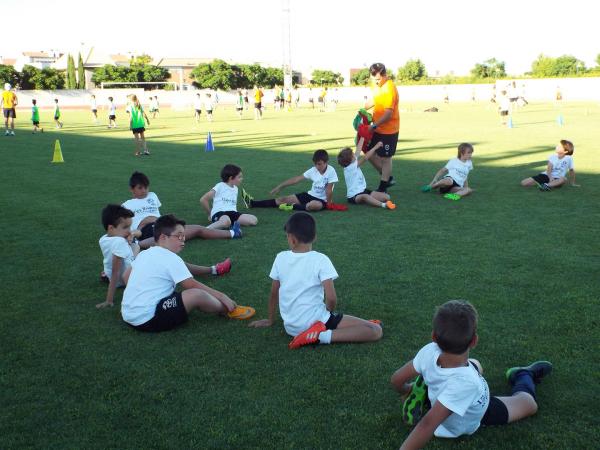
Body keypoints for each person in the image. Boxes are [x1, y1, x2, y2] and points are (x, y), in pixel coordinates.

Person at [391, 300, 552, 449]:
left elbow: (396, 379)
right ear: (474, 341)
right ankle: (523, 375)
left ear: (434, 337)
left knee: (475, 364)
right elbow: (427, 424)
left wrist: (406, 389)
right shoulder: (466, 383)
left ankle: (424, 390)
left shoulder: (428, 350)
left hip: (446, 388)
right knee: (529, 404)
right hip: (478, 409)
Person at [249, 212, 383, 348]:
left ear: (292, 239)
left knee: (364, 324)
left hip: (291, 327)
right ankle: (319, 336)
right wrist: (327, 315)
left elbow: (274, 293)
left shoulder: (280, 258)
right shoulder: (321, 260)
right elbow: (331, 298)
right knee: (375, 330)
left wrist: (270, 320)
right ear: (315, 237)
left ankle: (352, 325)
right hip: (315, 323)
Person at [121, 214, 255, 332]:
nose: (183, 240)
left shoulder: (145, 254)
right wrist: (222, 296)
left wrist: (141, 292)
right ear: (163, 237)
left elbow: (126, 276)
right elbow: (191, 285)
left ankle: (214, 271)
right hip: (148, 319)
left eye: (183, 236)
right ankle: (227, 309)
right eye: (178, 236)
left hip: (127, 315)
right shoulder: (170, 258)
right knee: (196, 294)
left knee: (180, 287)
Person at [96, 205, 232, 310]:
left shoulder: (105, 238)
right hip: (132, 281)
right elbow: (119, 274)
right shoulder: (120, 242)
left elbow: (118, 267)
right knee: (176, 266)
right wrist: (109, 299)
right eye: (125, 227)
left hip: (127, 282)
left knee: (166, 260)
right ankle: (213, 271)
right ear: (111, 228)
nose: (128, 230)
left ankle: (213, 270)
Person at [122, 171, 241, 250]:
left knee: (198, 229)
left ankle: (233, 233)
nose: (144, 190)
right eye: (140, 188)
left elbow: (156, 214)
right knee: (163, 236)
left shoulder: (152, 196)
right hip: (146, 230)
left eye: (146, 187)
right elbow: (123, 227)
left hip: (162, 224)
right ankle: (139, 244)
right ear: (131, 189)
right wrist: (134, 233)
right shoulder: (127, 205)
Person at [241, 149, 338, 212]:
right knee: (281, 199)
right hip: (309, 195)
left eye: (320, 164)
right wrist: (280, 186)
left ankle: (292, 206)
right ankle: (252, 203)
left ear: (326, 162)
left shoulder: (331, 171)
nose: (317, 166)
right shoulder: (313, 170)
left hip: (322, 201)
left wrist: (329, 204)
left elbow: (329, 190)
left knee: (313, 206)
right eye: (316, 164)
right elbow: (296, 179)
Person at [364, 63, 400, 193]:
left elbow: (388, 114)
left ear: (384, 75)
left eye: (378, 79)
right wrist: (363, 109)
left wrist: (373, 125)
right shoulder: (375, 84)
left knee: (386, 157)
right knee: (368, 151)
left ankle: (383, 187)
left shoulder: (389, 88)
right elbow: (375, 99)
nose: (376, 81)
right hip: (377, 128)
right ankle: (388, 177)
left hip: (389, 129)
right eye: (373, 79)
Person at [337, 137, 396, 209]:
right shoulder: (350, 168)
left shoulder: (351, 162)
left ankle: (370, 200)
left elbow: (358, 150)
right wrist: (375, 147)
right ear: (350, 160)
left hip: (364, 191)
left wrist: (363, 137)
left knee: (386, 197)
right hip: (354, 196)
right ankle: (384, 205)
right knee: (365, 196)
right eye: (353, 155)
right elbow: (365, 158)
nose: (354, 155)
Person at [200, 164, 258, 230]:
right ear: (231, 178)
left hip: (232, 213)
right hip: (220, 212)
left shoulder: (235, 188)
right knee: (225, 221)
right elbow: (203, 199)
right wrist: (210, 214)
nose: (242, 179)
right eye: (239, 177)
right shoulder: (220, 186)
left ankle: (228, 223)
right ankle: (204, 230)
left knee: (253, 220)